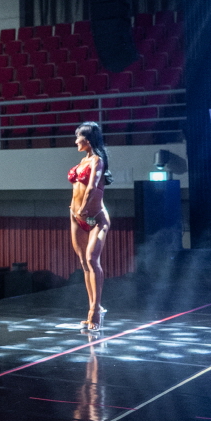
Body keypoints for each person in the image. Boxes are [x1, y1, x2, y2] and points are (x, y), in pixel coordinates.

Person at [69, 121, 113, 333]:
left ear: (86, 139)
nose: (75, 141)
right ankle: (93, 307)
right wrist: (76, 212)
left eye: (78, 137)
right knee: (84, 263)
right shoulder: (82, 161)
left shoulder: (97, 161)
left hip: (95, 217)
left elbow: (92, 187)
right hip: (76, 217)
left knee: (91, 259)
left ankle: (95, 311)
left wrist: (84, 208)